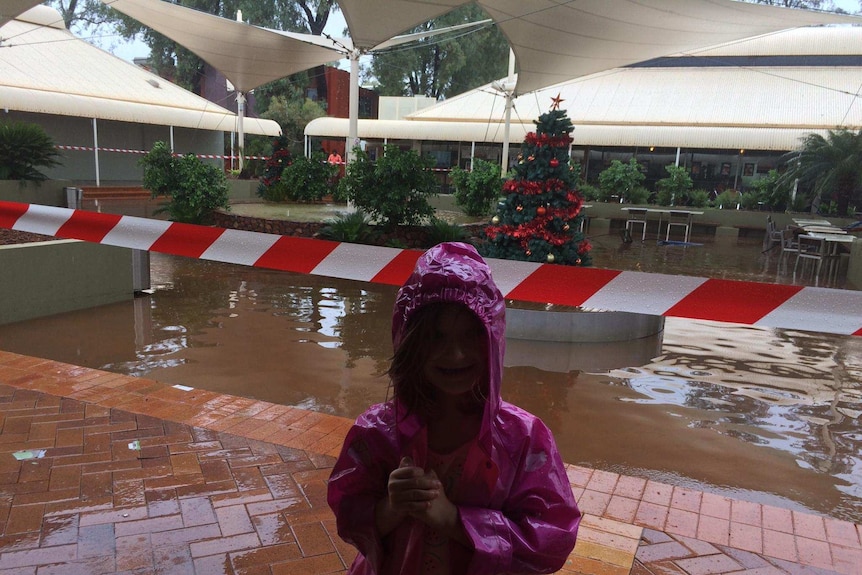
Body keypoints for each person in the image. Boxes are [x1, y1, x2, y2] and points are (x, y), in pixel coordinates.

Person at [327, 242, 580, 575]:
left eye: (470, 336)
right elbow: (350, 514)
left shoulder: (525, 438)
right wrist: (392, 507)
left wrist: (453, 519)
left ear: (492, 337)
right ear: (410, 342)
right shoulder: (376, 433)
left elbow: (551, 540)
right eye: (436, 337)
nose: (456, 354)